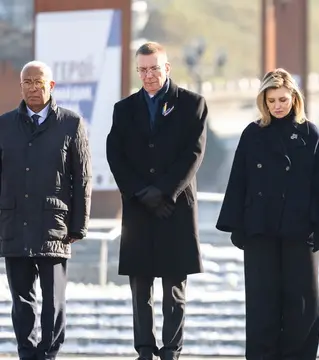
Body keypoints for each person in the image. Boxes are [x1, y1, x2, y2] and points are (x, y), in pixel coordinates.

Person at [216, 68, 319, 360]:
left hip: (300, 230)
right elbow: (239, 180)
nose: (277, 106)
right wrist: (237, 226)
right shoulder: (253, 134)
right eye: (271, 101)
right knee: (261, 305)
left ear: (294, 98)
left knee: (303, 306)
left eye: (282, 99)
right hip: (260, 231)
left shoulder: (310, 133)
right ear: (263, 102)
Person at [106, 41, 207, 360]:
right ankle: (145, 350)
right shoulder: (124, 109)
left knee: (174, 287)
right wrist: (139, 191)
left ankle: (171, 349)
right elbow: (115, 154)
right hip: (139, 209)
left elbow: (193, 153)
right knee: (140, 287)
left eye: (154, 69)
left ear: (167, 68)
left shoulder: (192, 104)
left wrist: (164, 191)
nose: (148, 75)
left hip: (174, 207)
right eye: (142, 70)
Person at [0, 60, 92, 360]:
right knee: (21, 301)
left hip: (55, 226)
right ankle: (27, 353)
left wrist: (79, 224)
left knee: (54, 301)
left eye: (38, 82)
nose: (32, 88)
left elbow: (82, 178)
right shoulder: (4, 125)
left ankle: (48, 354)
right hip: (14, 224)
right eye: (27, 82)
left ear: (51, 86)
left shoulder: (71, 124)